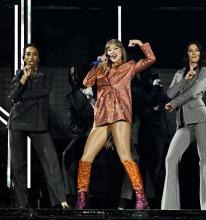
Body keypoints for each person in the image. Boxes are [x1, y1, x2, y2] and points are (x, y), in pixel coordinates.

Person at [74, 39, 156, 210]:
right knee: (85, 158)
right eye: (108, 49)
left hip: (120, 115)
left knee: (125, 156)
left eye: (115, 48)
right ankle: (81, 198)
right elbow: (86, 83)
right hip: (102, 117)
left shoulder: (129, 67)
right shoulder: (100, 70)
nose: (112, 51)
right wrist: (97, 65)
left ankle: (141, 198)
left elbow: (151, 59)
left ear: (121, 51)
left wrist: (141, 43)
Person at [62, 63, 140, 209]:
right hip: (88, 132)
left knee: (134, 158)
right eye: (71, 74)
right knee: (68, 154)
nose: (74, 77)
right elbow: (73, 126)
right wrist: (94, 133)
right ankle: (73, 198)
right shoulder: (71, 98)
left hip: (113, 127)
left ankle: (125, 200)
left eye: (77, 72)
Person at [7, 43, 69, 209]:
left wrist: (21, 96)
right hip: (18, 121)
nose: (31, 57)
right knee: (17, 164)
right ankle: (22, 204)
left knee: (51, 160)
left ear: (39, 57)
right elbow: (12, 95)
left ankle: (61, 201)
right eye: (28, 54)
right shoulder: (19, 74)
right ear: (24, 57)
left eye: (34, 54)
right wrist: (24, 78)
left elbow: (45, 90)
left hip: (38, 121)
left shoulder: (47, 72)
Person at [161, 41, 206, 210]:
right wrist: (184, 80)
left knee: (204, 159)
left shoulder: (205, 71)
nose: (193, 53)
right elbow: (169, 92)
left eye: (196, 50)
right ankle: (170, 207)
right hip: (183, 122)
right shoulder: (180, 73)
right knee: (171, 159)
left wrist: (174, 103)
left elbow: (194, 92)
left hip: (201, 117)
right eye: (190, 50)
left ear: (200, 54)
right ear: (187, 54)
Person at [131, 68, 171, 209]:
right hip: (151, 133)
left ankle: (161, 199)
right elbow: (152, 102)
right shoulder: (135, 89)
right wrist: (155, 88)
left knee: (163, 167)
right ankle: (149, 200)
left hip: (164, 131)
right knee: (152, 167)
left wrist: (157, 87)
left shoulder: (152, 86)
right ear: (137, 73)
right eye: (144, 70)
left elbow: (166, 101)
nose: (148, 72)